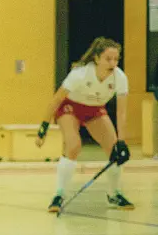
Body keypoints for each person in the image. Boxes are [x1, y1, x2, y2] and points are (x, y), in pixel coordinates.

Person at [37, 38, 132, 212]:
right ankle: (59, 194)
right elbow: (56, 99)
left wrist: (122, 141)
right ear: (97, 58)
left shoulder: (120, 78)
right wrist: (43, 127)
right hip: (70, 107)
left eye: (116, 59)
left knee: (114, 150)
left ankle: (114, 194)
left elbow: (122, 112)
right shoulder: (80, 74)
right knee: (73, 146)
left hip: (95, 110)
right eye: (108, 59)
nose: (113, 63)